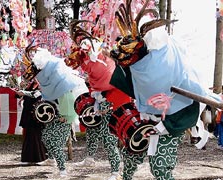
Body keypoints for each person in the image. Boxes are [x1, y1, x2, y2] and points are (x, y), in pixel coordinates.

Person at [108, 1, 222, 179]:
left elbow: (196, 93)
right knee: (131, 153)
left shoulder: (177, 72)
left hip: (172, 120)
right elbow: (123, 73)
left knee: (160, 165)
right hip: (146, 117)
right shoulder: (136, 68)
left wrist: (163, 126)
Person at [65, 21, 132, 180]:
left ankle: (116, 171)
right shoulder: (84, 57)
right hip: (100, 94)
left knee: (108, 135)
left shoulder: (104, 52)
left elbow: (110, 73)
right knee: (92, 127)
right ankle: (89, 158)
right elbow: (76, 66)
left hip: (116, 95)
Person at [22, 44, 88, 177]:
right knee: (46, 137)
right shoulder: (52, 84)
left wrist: (67, 117)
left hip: (64, 117)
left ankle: (62, 171)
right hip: (56, 116)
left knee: (55, 143)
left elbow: (68, 101)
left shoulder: (62, 84)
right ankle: (56, 164)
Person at [14, 79, 48, 165]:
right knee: (28, 136)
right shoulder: (30, 85)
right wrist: (20, 89)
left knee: (37, 136)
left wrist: (24, 92)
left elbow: (36, 95)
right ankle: (27, 158)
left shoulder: (44, 84)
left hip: (38, 114)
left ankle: (40, 158)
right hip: (28, 113)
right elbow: (20, 96)